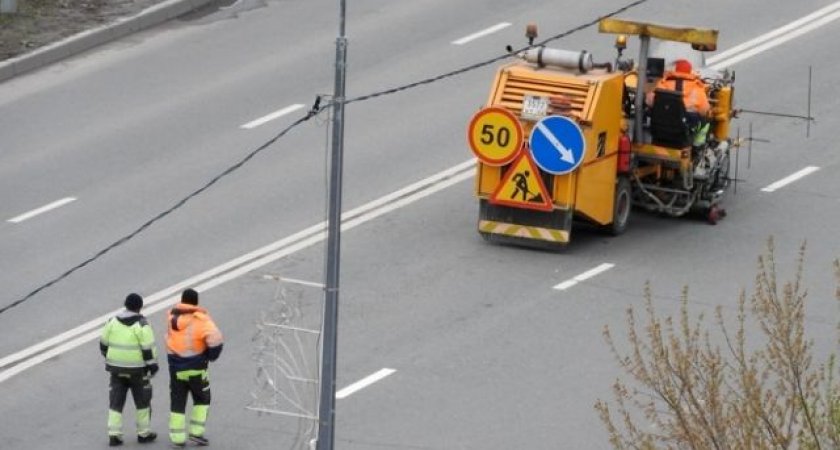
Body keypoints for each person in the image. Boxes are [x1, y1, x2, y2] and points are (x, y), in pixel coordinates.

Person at [100, 293, 159, 447]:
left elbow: (103, 344)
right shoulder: (142, 324)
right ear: (140, 307)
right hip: (138, 372)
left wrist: (112, 358)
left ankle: (114, 435)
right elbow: (148, 349)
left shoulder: (112, 321)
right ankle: (143, 433)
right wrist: (152, 366)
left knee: (116, 402)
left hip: (116, 370)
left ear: (125, 305)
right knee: (143, 402)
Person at [166, 288, 223, 447]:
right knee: (202, 399)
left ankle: (177, 439)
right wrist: (210, 356)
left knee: (177, 401)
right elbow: (216, 340)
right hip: (197, 368)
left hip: (176, 369)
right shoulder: (201, 320)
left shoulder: (172, 317)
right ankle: (196, 433)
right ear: (196, 302)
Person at [645, 58, 711, 149]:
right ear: (690, 72)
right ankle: (697, 144)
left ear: (675, 70)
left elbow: (649, 101)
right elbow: (705, 110)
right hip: (683, 129)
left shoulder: (662, 84)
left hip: (659, 126)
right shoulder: (697, 88)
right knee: (706, 119)